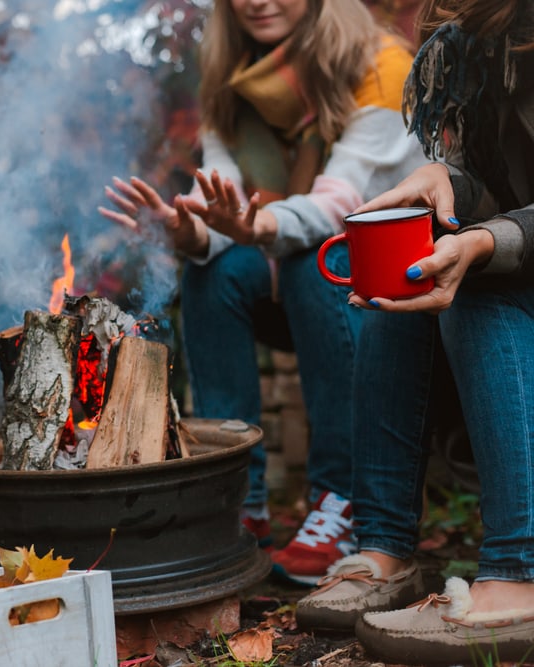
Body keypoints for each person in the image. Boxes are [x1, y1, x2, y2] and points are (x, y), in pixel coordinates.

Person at [100, 0, 429, 586]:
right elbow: (227, 213)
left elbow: (340, 207)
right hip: (291, 265)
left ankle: (342, 498)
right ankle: (236, 501)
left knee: (311, 259)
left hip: (392, 277)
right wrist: (187, 231)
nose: (258, 1)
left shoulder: (382, 65)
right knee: (212, 271)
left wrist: (251, 229)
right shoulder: (230, 86)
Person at [295, 0, 534, 661]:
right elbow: (501, 187)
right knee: (404, 278)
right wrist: (446, 178)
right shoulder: (475, 48)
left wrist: (488, 239)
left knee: (475, 286)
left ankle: (521, 574)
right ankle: (385, 546)